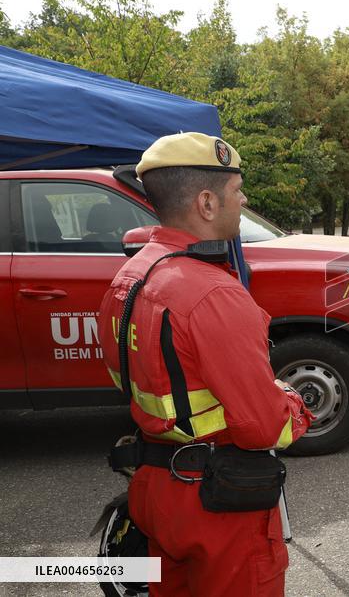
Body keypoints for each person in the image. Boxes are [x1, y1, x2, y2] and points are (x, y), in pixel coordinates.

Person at [98, 132, 313, 596]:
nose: (244, 200)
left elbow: (127, 378)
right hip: (217, 504)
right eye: (237, 190)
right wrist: (295, 401)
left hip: (155, 489)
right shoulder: (213, 294)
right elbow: (264, 427)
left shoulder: (128, 278)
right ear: (207, 203)